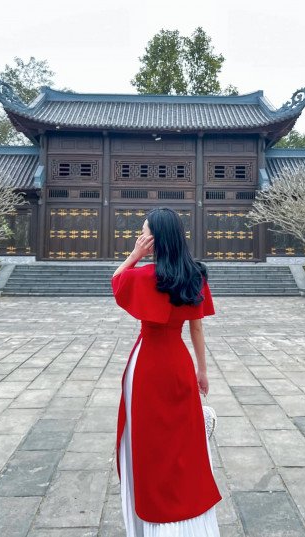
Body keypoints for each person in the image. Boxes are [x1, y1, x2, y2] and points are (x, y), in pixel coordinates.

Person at [111, 207, 221, 537]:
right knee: (183, 443)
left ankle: (149, 515)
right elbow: (197, 330)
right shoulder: (195, 275)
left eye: (144, 232)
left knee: (146, 441)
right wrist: (202, 371)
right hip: (179, 362)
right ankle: (188, 517)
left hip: (146, 363)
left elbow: (116, 281)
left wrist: (134, 255)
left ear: (153, 239)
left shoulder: (143, 275)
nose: (141, 237)